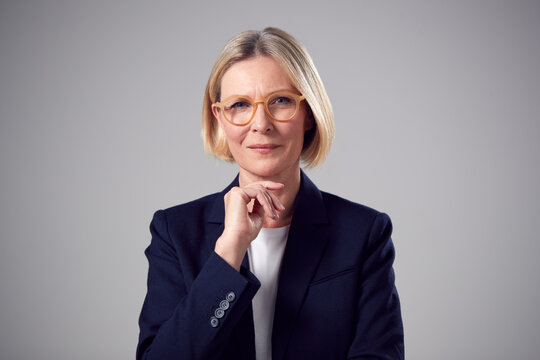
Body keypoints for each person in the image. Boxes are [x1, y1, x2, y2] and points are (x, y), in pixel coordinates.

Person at [136, 27, 404, 360]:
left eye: (280, 101)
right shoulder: (175, 231)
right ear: (220, 118)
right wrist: (228, 253)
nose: (260, 124)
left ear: (308, 113)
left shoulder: (364, 233)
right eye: (239, 105)